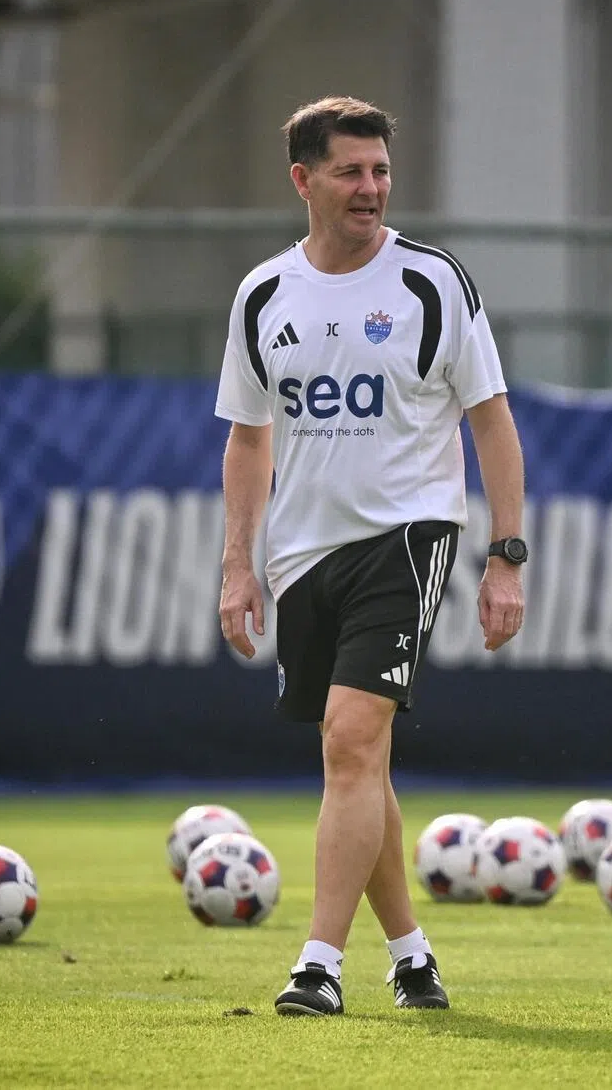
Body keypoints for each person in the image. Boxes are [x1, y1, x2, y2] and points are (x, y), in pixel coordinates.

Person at [214, 95, 526, 1016]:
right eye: (351, 171)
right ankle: (413, 955)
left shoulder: (433, 282)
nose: (371, 189)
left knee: (352, 740)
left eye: (381, 170)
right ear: (303, 181)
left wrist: (505, 554)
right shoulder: (264, 295)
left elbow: (492, 421)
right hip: (302, 554)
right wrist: (239, 563)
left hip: (409, 534)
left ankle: (318, 964)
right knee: (361, 760)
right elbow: (246, 439)